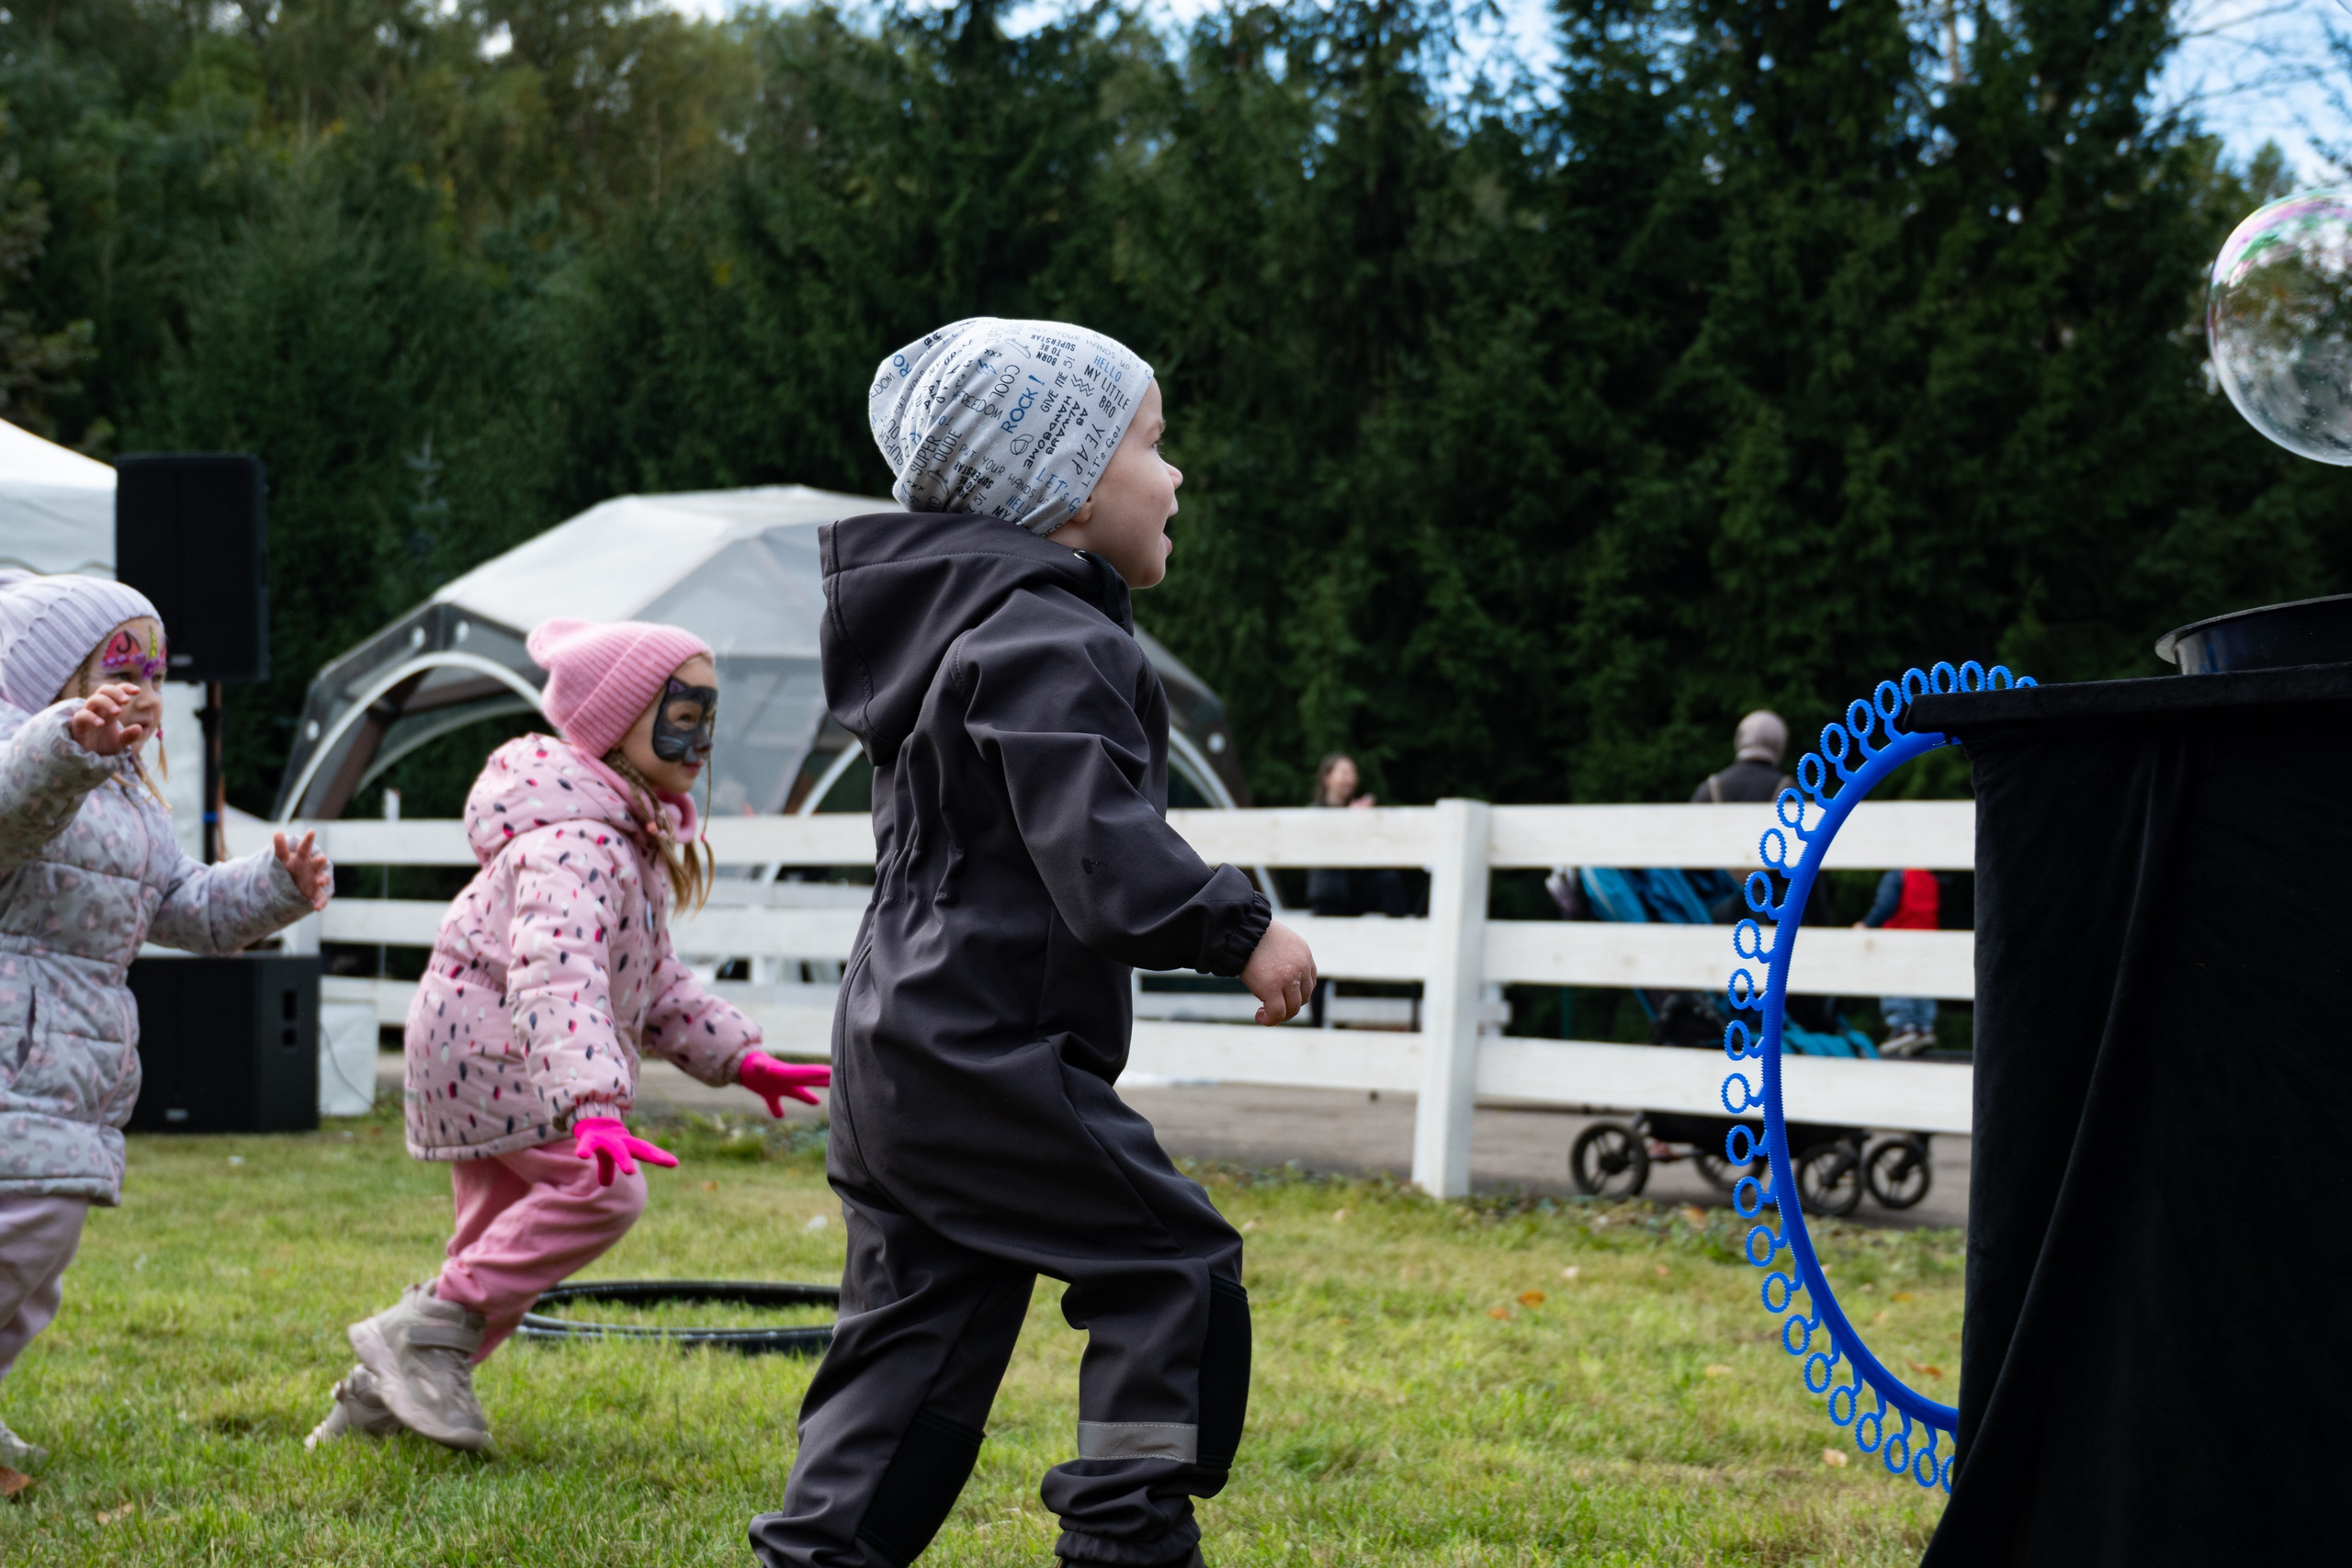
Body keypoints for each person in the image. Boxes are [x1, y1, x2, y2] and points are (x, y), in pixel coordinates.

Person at [757, 319, 1317, 1568]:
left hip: (902, 1045)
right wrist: (1241, 927)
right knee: (1169, 1258)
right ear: (1062, 483)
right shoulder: (1047, 636)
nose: (1175, 476)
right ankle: (1126, 1536)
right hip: (986, 1049)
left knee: (915, 1352)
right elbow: (1101, 844)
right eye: (1151, 444)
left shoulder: (958, 628)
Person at [312, 619, 830, 1453]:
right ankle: (420, 1337)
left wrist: (740, 1056)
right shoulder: (579, 841)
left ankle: (377, 1402)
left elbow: (652, 981)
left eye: (709, 715)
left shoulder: (623, 833)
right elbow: (558, 973)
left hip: (477, 1047)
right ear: (618, 723)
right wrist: (592, 1105)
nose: (702, 737)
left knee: (496, 1253)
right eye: (683, 713)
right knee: (603, 1191)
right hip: (497, 1048)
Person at [0, 571, 330, 1481]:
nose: (144, 685)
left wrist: (272, 889)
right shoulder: (29, 758)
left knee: (36, 1269)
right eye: (121, 663)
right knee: (21, 1233)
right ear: (55, 673)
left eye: (155, 667)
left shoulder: (131, 800)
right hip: (13, 1053)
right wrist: (68, 743)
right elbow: (13, 810)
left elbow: (180, 901)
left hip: (77, 1062)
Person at [1305, 751, 1408, 920]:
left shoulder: (1354, 811)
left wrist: (1364, 822)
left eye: (1353, 773)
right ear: (1327, 778)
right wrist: (1350, 819)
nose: (1351, 779)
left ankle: (1402, 935)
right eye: (1345, 773)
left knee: (1390, 880)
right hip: (1328, 897)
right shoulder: (1314, 811)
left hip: (1353, 892)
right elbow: (1321, 841)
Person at [1856, 868, 1941, 1056]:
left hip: (1900, 936)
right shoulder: (1928, 877)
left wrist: (1866, 924)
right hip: (1927, 939)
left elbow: (1885, 905)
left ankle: (1902, 1027)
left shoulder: (1898, 874)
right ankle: (1923, 1027)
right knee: (1922, 984)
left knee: (1895, 979)